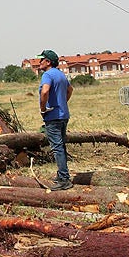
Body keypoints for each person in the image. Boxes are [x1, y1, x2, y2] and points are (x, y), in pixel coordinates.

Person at [39, 48, 74, 190]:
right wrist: (63, 103)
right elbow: (70, 90)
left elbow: (45, 91)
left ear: (48, 62)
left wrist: (43, 108)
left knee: (57, 147)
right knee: (61, 146)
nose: (39, 62)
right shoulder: (60, 74)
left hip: (52, 116)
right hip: (63, 115)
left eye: (41, 60)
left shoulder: (47, 75)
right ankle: (62, 175)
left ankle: (64, 179)